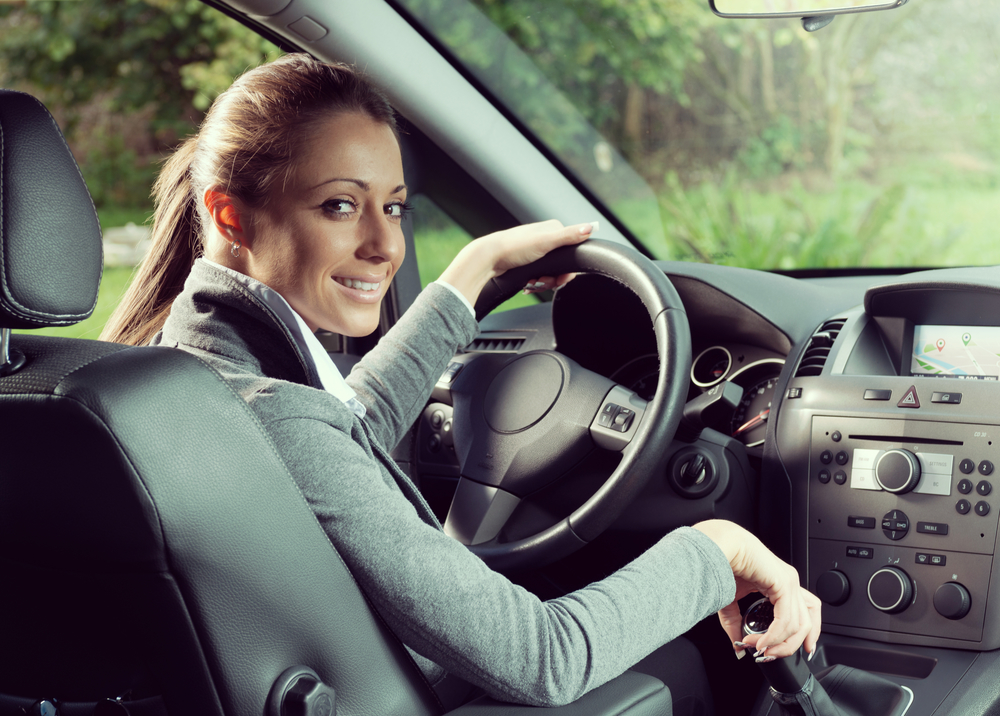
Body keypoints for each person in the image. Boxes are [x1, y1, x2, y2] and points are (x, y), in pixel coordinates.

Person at [101, 53, 820, 712]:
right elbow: (548, 658)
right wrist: (717, 549)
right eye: (340, 206)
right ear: (230, 214)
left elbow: (340, 433)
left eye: (394, 206)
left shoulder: (158, 383)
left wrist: (470, 276)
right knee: (686, 666)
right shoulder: (277, 425)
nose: (385, 246)